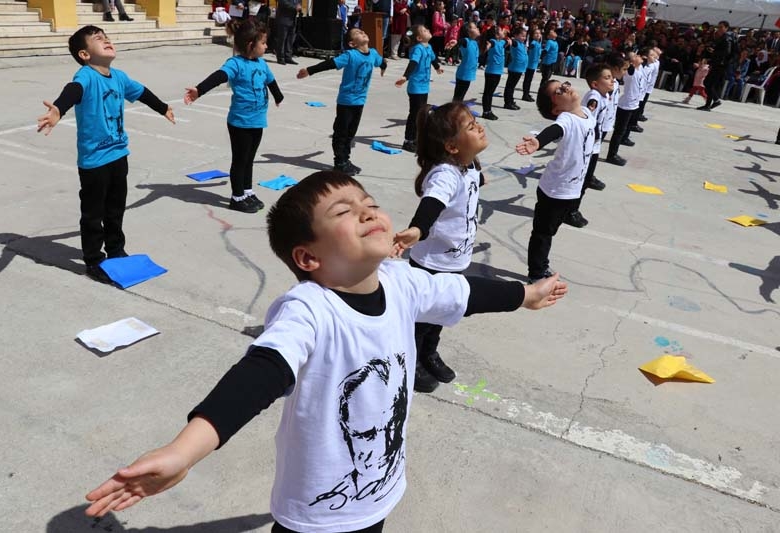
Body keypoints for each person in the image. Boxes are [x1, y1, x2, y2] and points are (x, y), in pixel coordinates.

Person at [84, 170, 568, 532]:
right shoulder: (309, 310)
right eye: (343, 212)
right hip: (315, 517)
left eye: (369, 203)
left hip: (380, 497)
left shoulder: (401, 282)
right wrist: (183, 452)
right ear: (308, 257)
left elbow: (461, 291)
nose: (367, 212)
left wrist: (524, 294)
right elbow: (259, 375)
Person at [36, 26, 174, 284]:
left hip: (118, 154)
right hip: (94, 161)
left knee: (115, 208)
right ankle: (94, 260)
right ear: (85, 54)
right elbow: (73, 90)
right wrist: (59, 110)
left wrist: (163, 107)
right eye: (98, 39)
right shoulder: (86, 76)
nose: (107, 40)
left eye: (107, 37)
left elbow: (141, 92)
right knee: (93, 213)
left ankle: (115, 249)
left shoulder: (119, 77)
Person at [391, 102, 488, 392]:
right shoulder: (446, 174)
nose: (479, 127)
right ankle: (410, 360)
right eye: (471, 126)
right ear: (452, 147)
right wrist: (418, 229)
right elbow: (433, 202)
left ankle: (428, 353)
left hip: (455, 261)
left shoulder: (469, 166)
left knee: (442, 313)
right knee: (422, 319)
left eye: (475, 121)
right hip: (432, 263)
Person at [184, 20, 284, 213]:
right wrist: (199, 90)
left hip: (257, 121)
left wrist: (278, 96)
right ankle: (237, 197)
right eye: (263, 43)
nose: (266, 46)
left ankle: (247, 191)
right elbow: (219, 76)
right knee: (240, 160)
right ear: (250, 45)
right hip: (240, 123)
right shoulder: (236, 64)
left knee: (249, 159)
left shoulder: (262, 64)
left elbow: (271, 81)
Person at [516, 80, 595, 283]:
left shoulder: (587, 113)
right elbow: (555, 130)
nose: (566, 88)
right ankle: (536, 274)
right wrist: (539, 141)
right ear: (556, 109)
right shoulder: (566, 119)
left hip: (571, 189)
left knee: (551, 229)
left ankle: (541, 264)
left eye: (565, 84)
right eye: (559, 91)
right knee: (543, 233)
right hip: (554, 190)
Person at [297, 28, 387, 176]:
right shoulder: (350, 55)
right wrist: (309, 70)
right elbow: (330, 64)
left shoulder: (373, 53)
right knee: (341, 132)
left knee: (351, 133)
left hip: (360, 101)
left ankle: (345, 159)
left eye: (362, 31)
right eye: (357, 33)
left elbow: (381, 61)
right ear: (352, 44)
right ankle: (339, 162)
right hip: (346, 101)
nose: (362, 32)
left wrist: (384, 67)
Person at [564, 63, 613, 228]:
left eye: (611, 77)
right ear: (595, 84)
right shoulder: (594, 97)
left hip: (594, 146)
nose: (612, 80)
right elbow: (588, 119)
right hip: (589, 147)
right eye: (607, 78)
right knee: (582, 181)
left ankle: (573, 209)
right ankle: (570, 211)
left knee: (585, 180)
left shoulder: (603, 95)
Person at [396, 25, 444, 153]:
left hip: (424, 87)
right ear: (419, 38)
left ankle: (416, 139)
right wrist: (405, 76)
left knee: (422, 114)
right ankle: (408, 141)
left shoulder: (428, 47)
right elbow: (413, 63)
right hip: (416, 87)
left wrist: (438, 67)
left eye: (427, 29)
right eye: (424, 30)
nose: (428, 30)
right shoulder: (417, 49)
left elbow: (433, 59)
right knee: (415, 114)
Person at [604, 51, 639, 166]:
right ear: (615, 68)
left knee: (621, 130)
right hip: (611, 114)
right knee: (618, 132)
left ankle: (612, 154)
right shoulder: (607, 83)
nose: (625, 72)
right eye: (624, 69)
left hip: (612, 115)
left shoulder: (615, 82)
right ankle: (611, 155)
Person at [699, 20, 735, 111]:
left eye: (721, 27)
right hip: (717, 64)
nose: (719, 29)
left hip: (721, 65)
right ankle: (712, 102)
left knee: (708, 83)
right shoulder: (722, 37)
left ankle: (713, 102)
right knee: (709, 83)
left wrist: (714, 51)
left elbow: (727, 52)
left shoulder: (727, 38)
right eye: (718, 27)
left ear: (726, 28)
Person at [480, 25, 507, 120]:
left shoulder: (502, 42)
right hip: (491, 71)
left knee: (491, 92)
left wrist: (510, 40)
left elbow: (508, 41)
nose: (503, 31)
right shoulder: (493, 42)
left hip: (498, 72)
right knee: (488, 92)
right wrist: (487, 47)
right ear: (496, 35)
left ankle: (488, 110)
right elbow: (489, 44)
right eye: (501, 30)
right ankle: (486, 111)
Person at [451, 21, 481, 101]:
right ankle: (454, 108)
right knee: (458, 97)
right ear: (468, 32)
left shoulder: (475, 42)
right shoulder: (466, 41)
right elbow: (461, 41)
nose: (477, 29)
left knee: (461, 96)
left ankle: (456, 107)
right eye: (475, 28)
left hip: (469, 73)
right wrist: (456, 42)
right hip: (463, 74)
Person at [503, 25, 527, 110]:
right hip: (514, 69)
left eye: (525, 36)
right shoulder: (516, 42)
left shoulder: (522, 44)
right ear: (516, 35)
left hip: (519, 69)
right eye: (522, 36)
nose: (524, 38)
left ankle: (511, 100)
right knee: (510, 87)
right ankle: (508, 102)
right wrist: (509, 40)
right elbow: (511, 41)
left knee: (512, 87)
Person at [275, 0, 302, 65]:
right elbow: (283, 2)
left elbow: (298, 3)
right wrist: (295, 7)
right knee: (282, 39)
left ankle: (288, 57)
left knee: (290, 40)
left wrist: (299, 6)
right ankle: (280, 58)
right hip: (284, 19)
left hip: (293, 20)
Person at [520, 27, 541, 102]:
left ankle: (527, 93)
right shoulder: (533, 43)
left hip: (534, 64)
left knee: (529, 80)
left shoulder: (538, 43)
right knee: (527, 80)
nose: (538, 35)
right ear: (532, 35)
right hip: (530, 64)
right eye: (536, 33)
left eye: (539, 33)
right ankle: (525, 94)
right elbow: (528, 50)